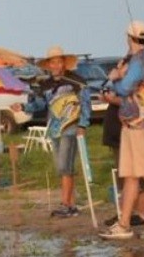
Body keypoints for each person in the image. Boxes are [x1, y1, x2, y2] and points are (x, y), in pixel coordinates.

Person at [99, 20, 144, 239]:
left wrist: (115, 77)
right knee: (129, 175)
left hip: (141, 124)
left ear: (129, 38)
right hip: (130, 122)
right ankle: (124, 224)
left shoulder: (140, 61)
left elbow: (125, 87)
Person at [11, 46, 91, 218]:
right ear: (49, 65)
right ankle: (71, 204)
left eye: (59, 61)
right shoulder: (45, 85)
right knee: (62, 167)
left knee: (65, 166)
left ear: (64, 63)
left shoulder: (76, 81)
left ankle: (65, 204)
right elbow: (40, 105)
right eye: (53, 62)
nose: (56, 65)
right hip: (54, 129)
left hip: (71, 126)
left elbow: (85, 103)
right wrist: (23, 107)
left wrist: (83, 125)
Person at [101, 55, 144, 228]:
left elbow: (131, 102)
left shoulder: (135, 82)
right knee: (124, 177)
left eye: (122, 66)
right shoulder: (123, 84)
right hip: (117, 133)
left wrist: (113, 97)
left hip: (133, 130)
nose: (119, 67)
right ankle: (126, 213)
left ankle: (141, 213)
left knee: (139, 176)